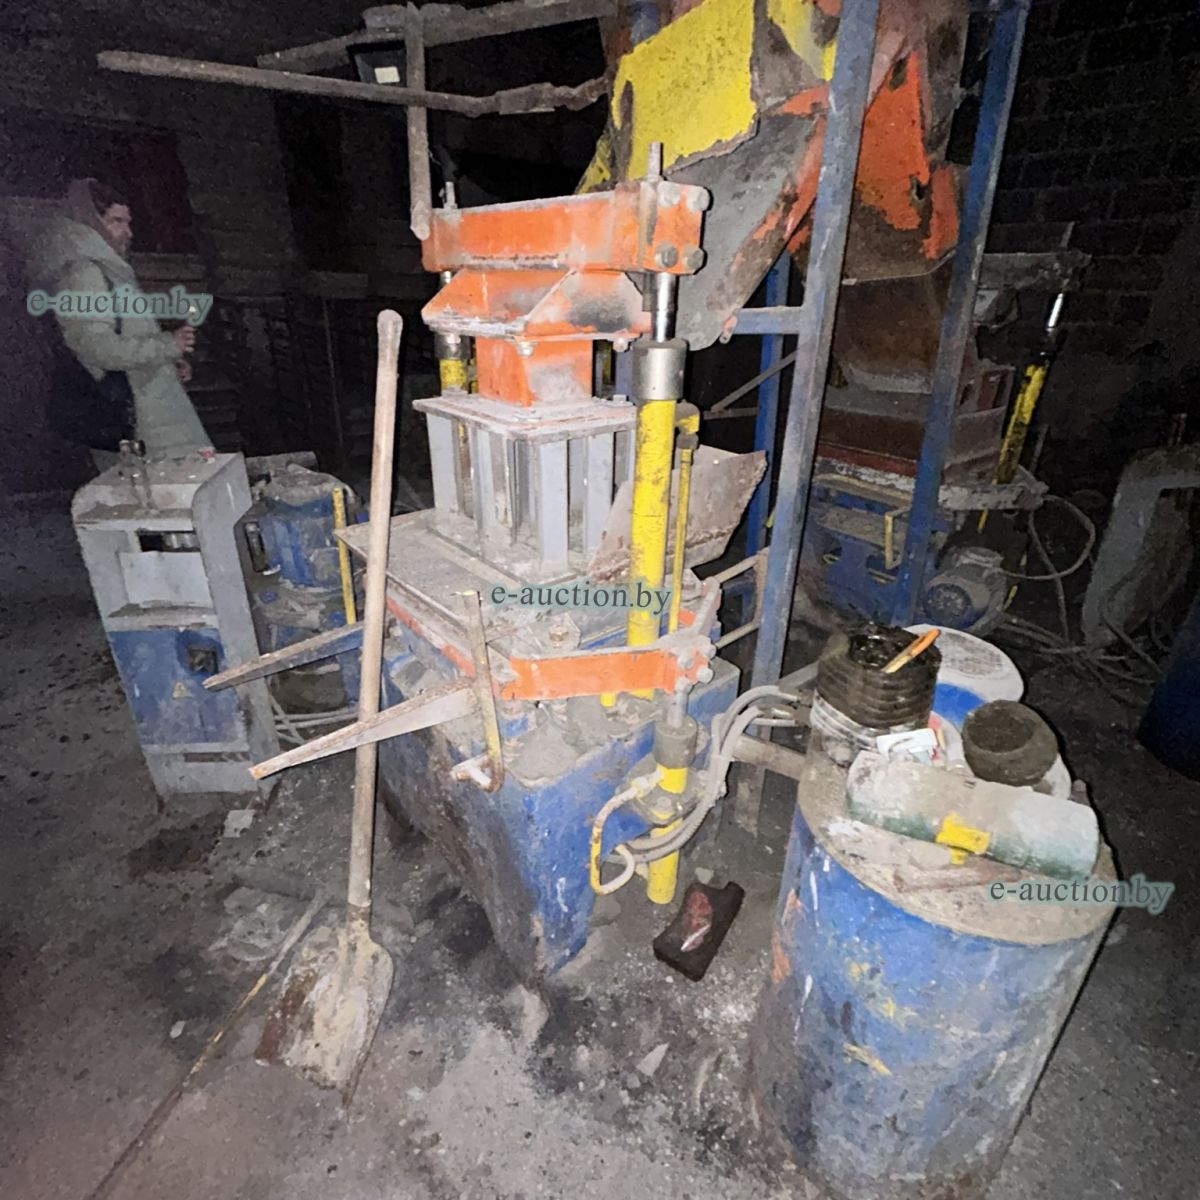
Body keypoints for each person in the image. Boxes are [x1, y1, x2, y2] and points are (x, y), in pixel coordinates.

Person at [28, 178, 211, 462]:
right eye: (117, 221)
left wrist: (167, 362)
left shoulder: (109, 269)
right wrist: (165, 346)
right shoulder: (83, 274)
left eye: (128, 222)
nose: (128, 232)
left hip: (147, 412)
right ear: (91, 221)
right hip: (133, 421)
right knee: (158, 486)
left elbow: (126, 334)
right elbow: (96, 347)